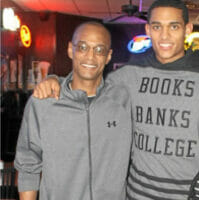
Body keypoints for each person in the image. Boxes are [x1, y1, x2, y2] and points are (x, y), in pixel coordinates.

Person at [32, 1, 199, 199]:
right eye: (157, 27)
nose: (164, 36)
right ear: (147, 29)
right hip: (135, 195)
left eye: (173, 26)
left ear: (188, 29)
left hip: (191, 195)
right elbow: (87, 87)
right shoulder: (128, 76)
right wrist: (55, 78)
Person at [14, 22, 132, 200]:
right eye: (83, 47)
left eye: (99, 50)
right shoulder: (43, 103)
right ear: (71, 49)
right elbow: (27, 166)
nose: (90, 57)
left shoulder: (124, 101)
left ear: (108, 56)